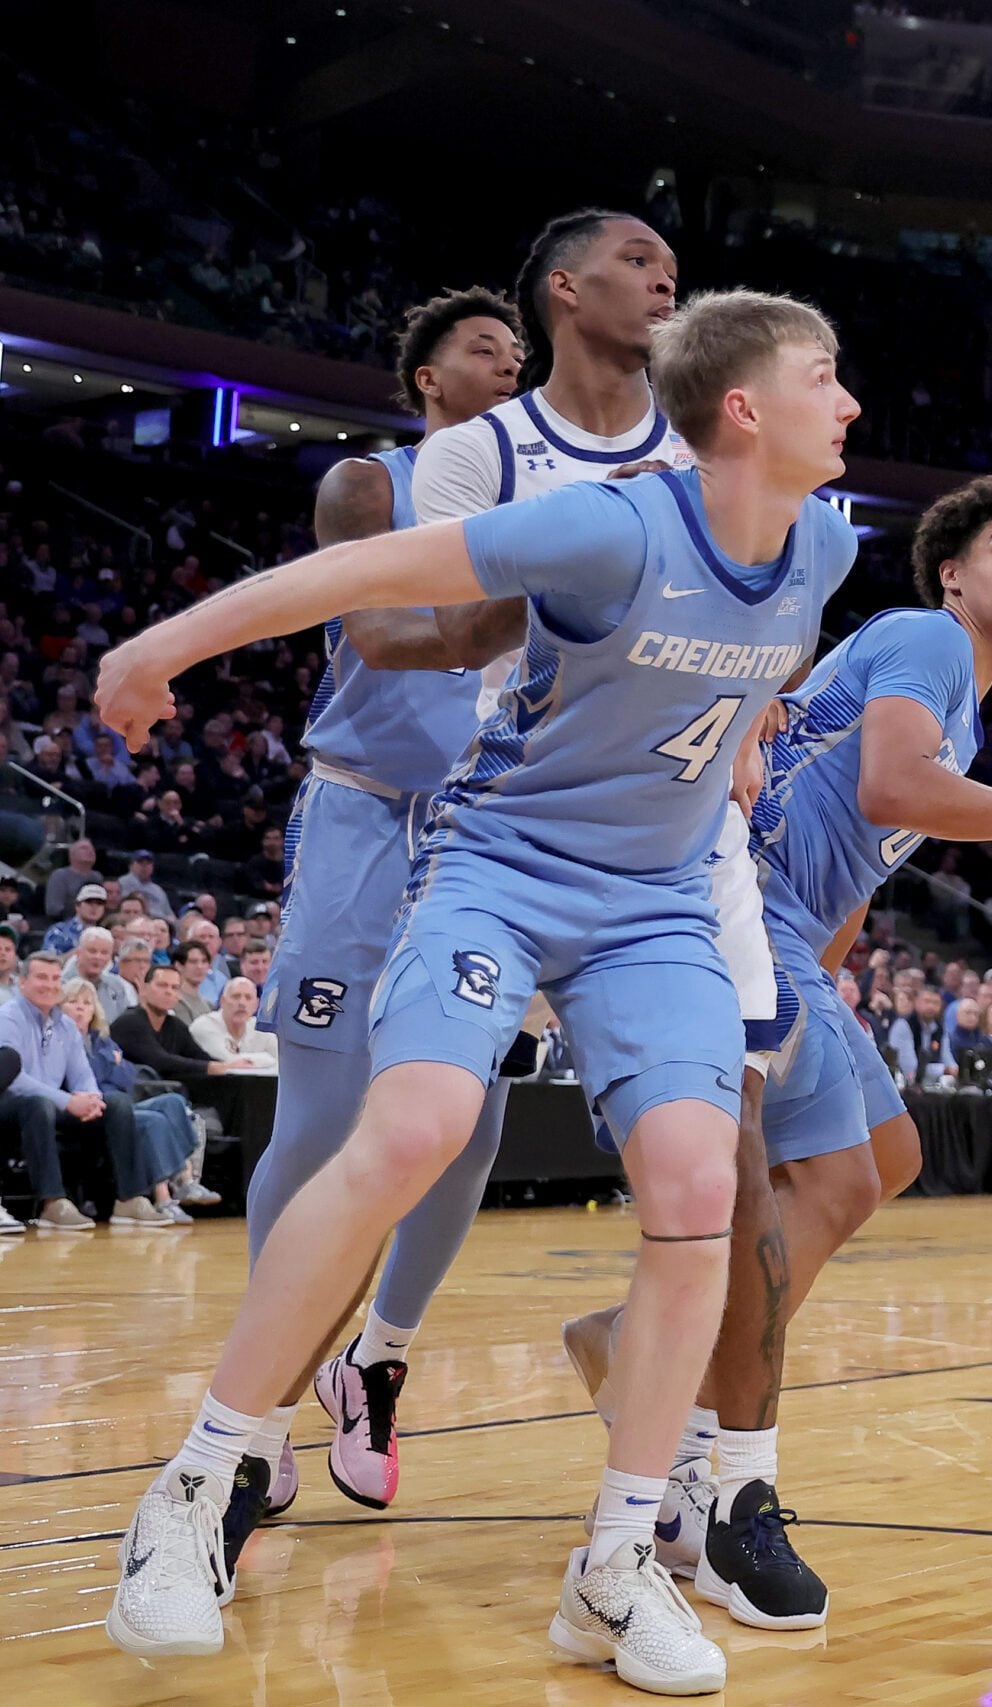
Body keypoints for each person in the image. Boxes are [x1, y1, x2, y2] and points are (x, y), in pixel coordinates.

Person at [95, 288, 854, 1690]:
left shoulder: (827, 540)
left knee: (697, 1182)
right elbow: (358, 574)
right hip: (505, 862)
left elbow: (767, 648)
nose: (852, 403)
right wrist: (160, 649)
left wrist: (741, 730)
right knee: (413, 1127)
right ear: (745, 408)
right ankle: (196, 1486)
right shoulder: (609, 524)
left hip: (657, 902)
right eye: (828, 378)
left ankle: (617, 1562)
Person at [557, 475, 992, 1630]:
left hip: (793, 936)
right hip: (731, 908)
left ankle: (641, 1349)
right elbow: (890, 786)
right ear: (951, 573)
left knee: (882, 1157)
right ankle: (690, 1442)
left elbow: (866, 847)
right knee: (824, 1179)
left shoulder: (954, 696)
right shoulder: (925, 638)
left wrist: (830, 963)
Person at [238, 287, 538, 1537]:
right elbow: (377, 625)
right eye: (484, 348)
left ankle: (379, 1363)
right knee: (315, 1125)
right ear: (427, 381)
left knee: (467, 1134)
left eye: (521, 355)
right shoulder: (371, 484)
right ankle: (262, 1397)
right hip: (364, 816)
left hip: (494, 834)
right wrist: (569, 599)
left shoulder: (554, 505)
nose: (509, 365)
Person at [0, 952, 159, 1230]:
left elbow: (82, 1075)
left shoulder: (65, 1024)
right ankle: (53, 1203)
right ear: (22, 982)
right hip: (13, 1103)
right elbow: (12, 1077)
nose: (49, 985)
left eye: (55, 979)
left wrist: (92, 1099)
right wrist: (68, 1100)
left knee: (118, 1104)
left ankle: (129, 1200)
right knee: (38, 1104)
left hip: (54, 1105)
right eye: (41, 977)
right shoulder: (9, 1017)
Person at [59, 976, 196, 1223]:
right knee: (154, 1121)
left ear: (94, 1009)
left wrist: (110, 1066)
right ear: (61, 1007)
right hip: (96, 1110)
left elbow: (128, 1077)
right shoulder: (61, 1039)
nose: (80, 1007)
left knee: (173, 1102)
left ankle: (186, 1180)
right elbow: (85, 1077)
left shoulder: (100, 1038)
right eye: (73, 1002)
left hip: (122, 1100)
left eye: (87, 1002)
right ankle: (163, 1198)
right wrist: (111, 1062)